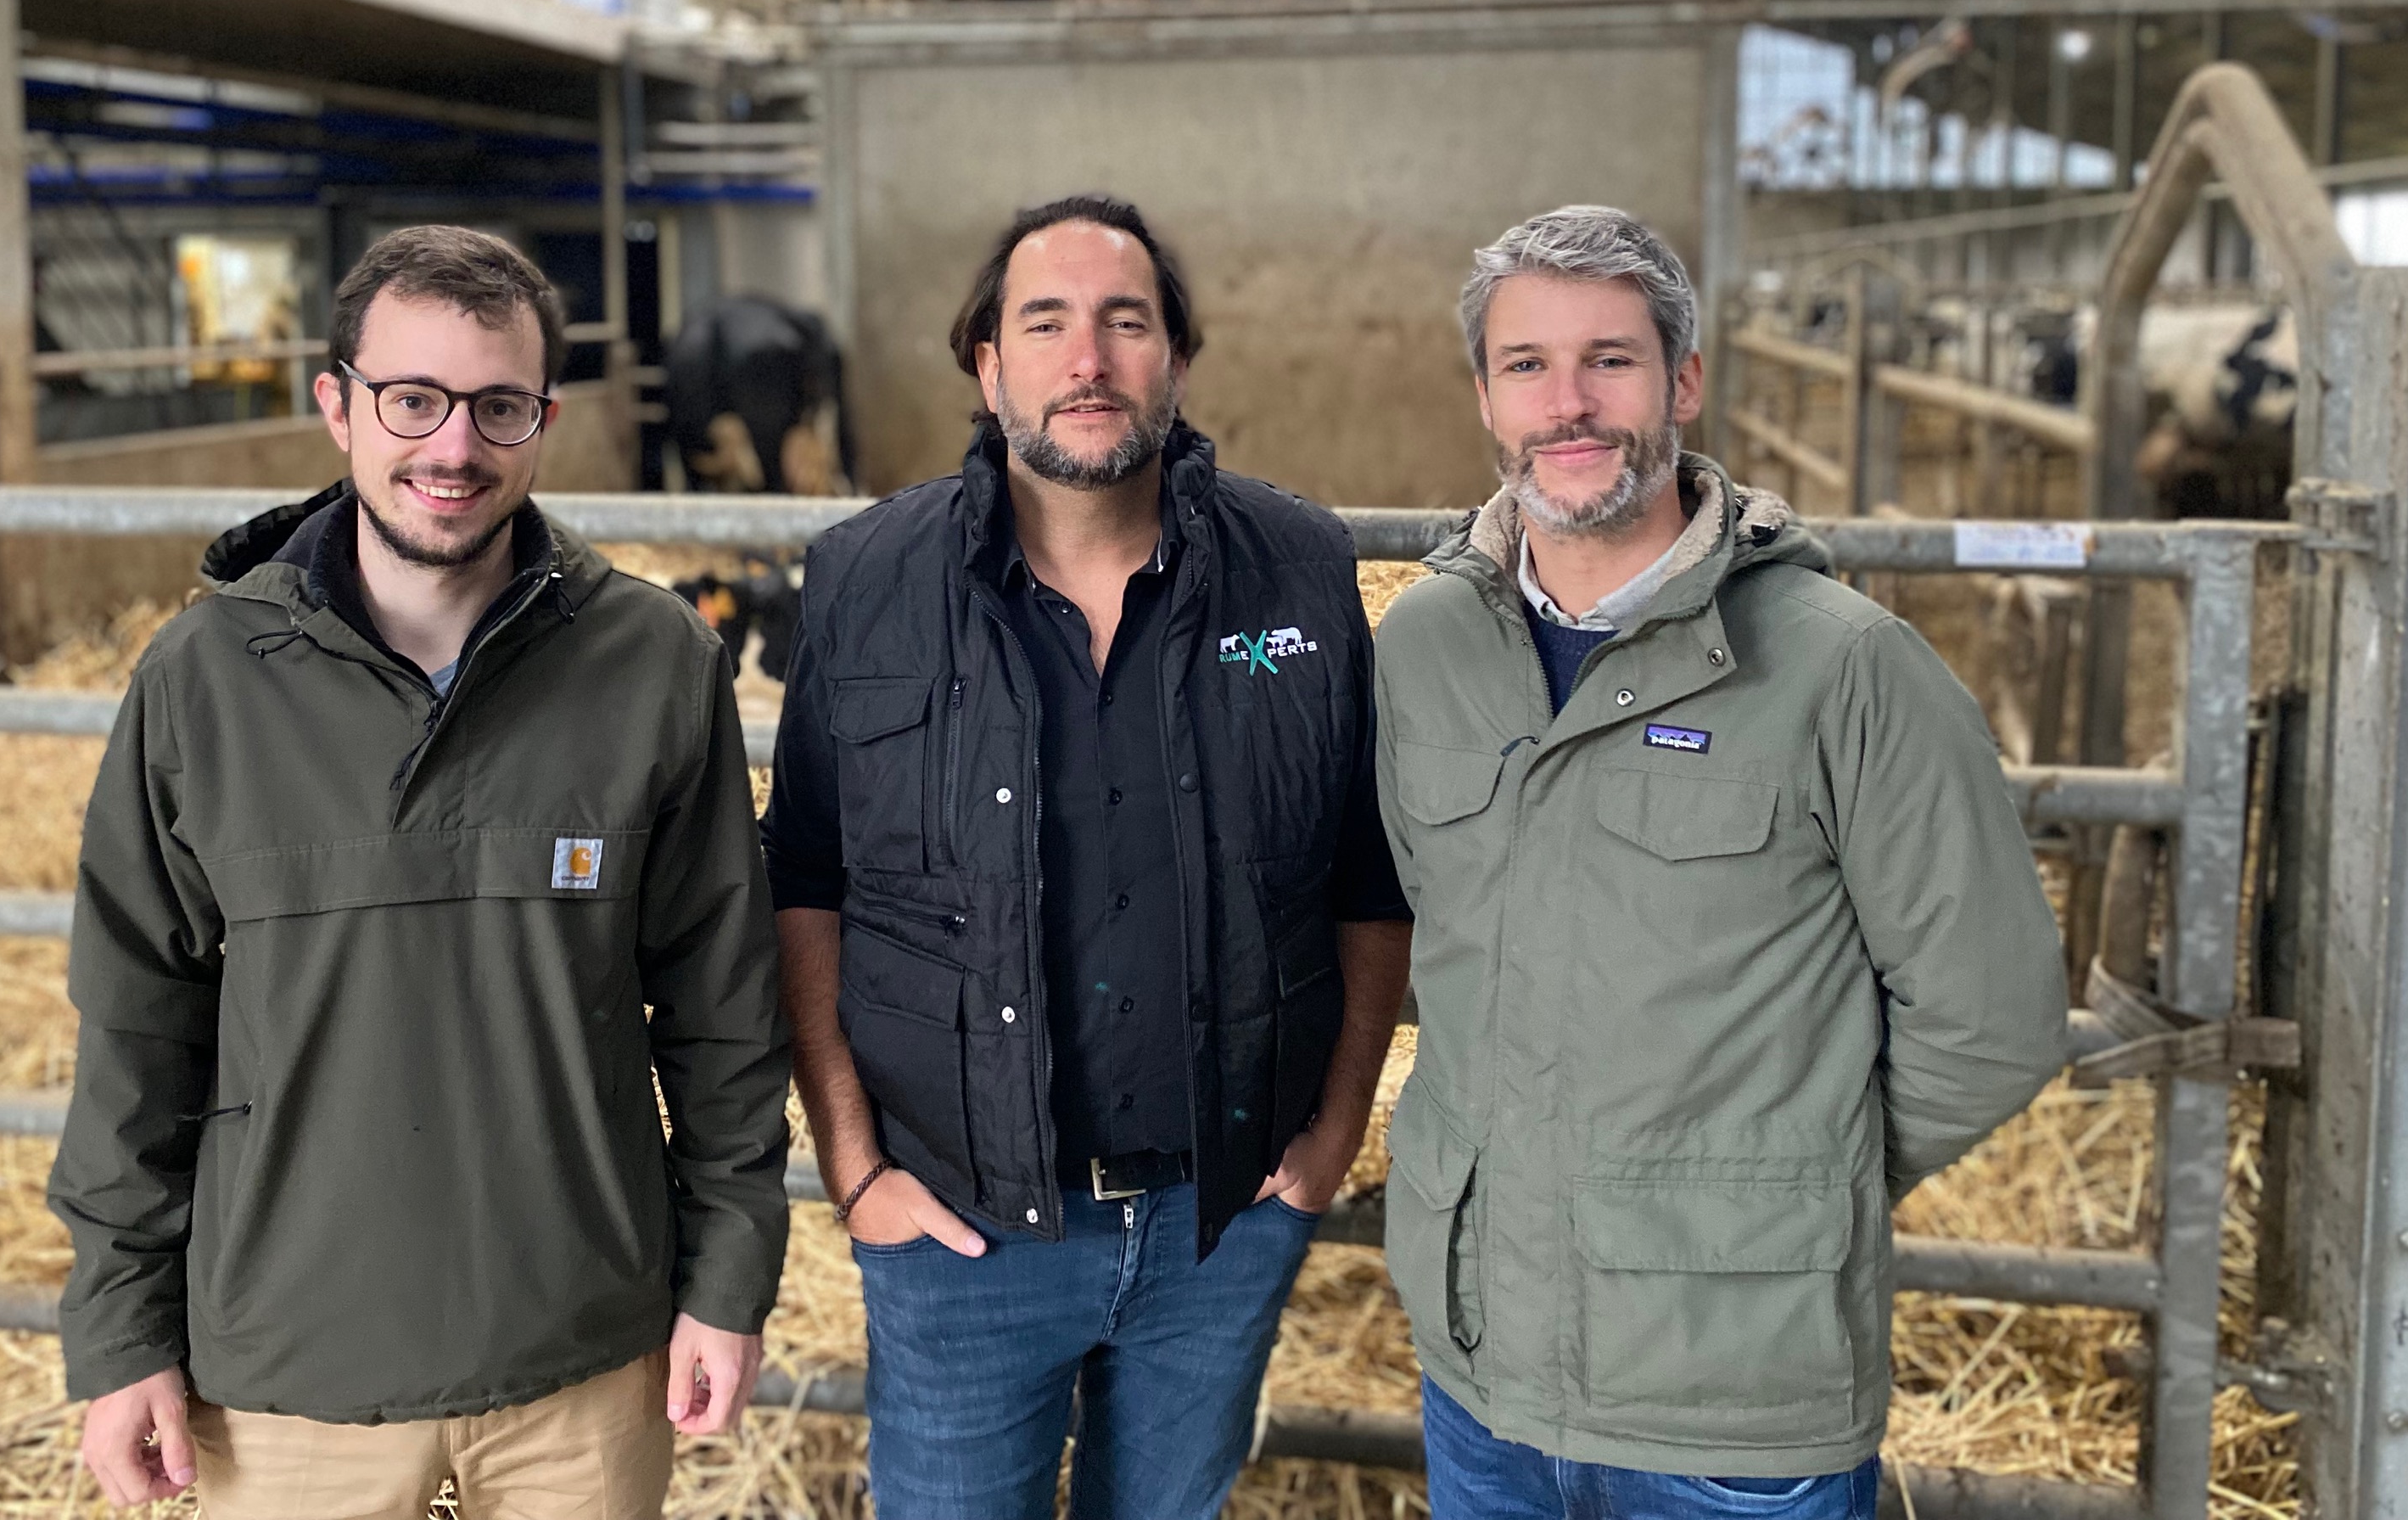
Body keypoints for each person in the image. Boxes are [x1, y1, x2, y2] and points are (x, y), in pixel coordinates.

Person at [51, 224, 791, 1517]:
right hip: (287, 1380)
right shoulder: (201, 684)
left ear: (546, 421)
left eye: (498, 406)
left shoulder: (654, 664)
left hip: (584, 1364)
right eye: (412, 399)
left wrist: (728, 1283)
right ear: (337, 406)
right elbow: (135, 1029)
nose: (454, 446)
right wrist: (121, 1338)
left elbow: (722, 1010)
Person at [1373, 205, 2067, 1519]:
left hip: (1733, 1415)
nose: (1568, 404)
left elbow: (1996, 1020)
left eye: (1611, 359)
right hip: (1482, 1385)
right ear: (1485, 398)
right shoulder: (1424, 649)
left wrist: (1775, 1197)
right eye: (1527, 365)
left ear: (1684, 382)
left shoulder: (1845, 667)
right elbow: (1435, 936)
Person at [763, 193, 1412, 1519]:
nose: (1089, 359)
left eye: (1127, 321)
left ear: (1176, 356)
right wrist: (852, 1163)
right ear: (988, 365)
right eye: (1046, 322)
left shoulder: (1298, 570)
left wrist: (1334, 1131)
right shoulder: (865, 580)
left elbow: (1365, 871)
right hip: (958, 1228)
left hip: (1222, 1222)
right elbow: (808, 883)